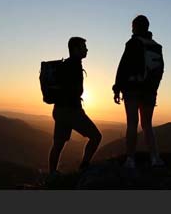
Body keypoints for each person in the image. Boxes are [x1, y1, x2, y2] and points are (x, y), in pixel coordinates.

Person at [113, 15, 165, 169]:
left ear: (135, 27)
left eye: (132, 26)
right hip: (149, 91)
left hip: (132, 89)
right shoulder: (156, 46)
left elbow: (123, 67)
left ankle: (130, 160)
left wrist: (117, 88)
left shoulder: (132, 43)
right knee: (147, 124)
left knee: (132, 124)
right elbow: (160, 71)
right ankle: (155, 158)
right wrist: (153, 90)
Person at [48, 37, 102, 178]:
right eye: (83, 46)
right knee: (96, 137)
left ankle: (52, 174)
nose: (86, 49)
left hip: (59, 110)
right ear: (75, 49)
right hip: (72, 111)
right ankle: (84, 167)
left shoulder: (66, 64)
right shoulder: (74, 65)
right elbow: (74, 90)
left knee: (58, 144)